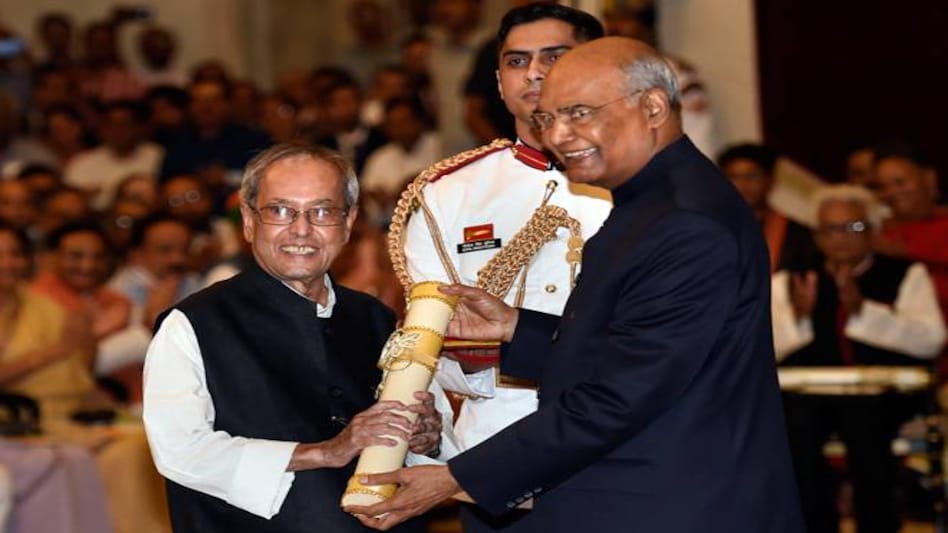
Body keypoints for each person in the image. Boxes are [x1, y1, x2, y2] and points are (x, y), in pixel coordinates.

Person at [346, 37, 803, 532]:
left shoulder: (686, 222)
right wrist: (517, 328)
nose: (559, 135)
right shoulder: (650, 202)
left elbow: (618, 396)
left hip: (673, 502)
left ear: (652, 106)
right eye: (547, 118)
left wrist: (456, 477)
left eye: (579, 113)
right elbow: (625, 351)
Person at [142, 143, 442, 532]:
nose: (301, 229)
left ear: (348, 222)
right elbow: (181, 451)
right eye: (280, 210)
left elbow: (421, 438)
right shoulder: (194, 323)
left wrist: (427, 439)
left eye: (322, 211)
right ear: (249, 221)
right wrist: (323, 452)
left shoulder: (376, 317)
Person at [388, 4, 609, 531]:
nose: (534, 73)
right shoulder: (448, 194)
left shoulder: (640, 182)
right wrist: (430, 433)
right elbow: (429, 346)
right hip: (498, 477)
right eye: (517, 61)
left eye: (554, 56)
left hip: (620, 462)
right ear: (498, 80)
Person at [772, 185, 945, 533]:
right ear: (816, 234)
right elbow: (764, 349)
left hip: (882, 396)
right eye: (829, 229)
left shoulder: (905, 273)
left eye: (852, 228)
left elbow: (931, 340)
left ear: (873, 230)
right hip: (809, 397)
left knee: (865, 430)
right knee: (795, 438)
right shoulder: (791, 278)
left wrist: (863, 312)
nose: (840, 239)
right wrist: (799, 318)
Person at [716, 142, 817, 273]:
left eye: (751, 176)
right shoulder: (706, 230)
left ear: (770, 180)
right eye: (733, 177)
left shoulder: (798, 235)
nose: (742, 185)